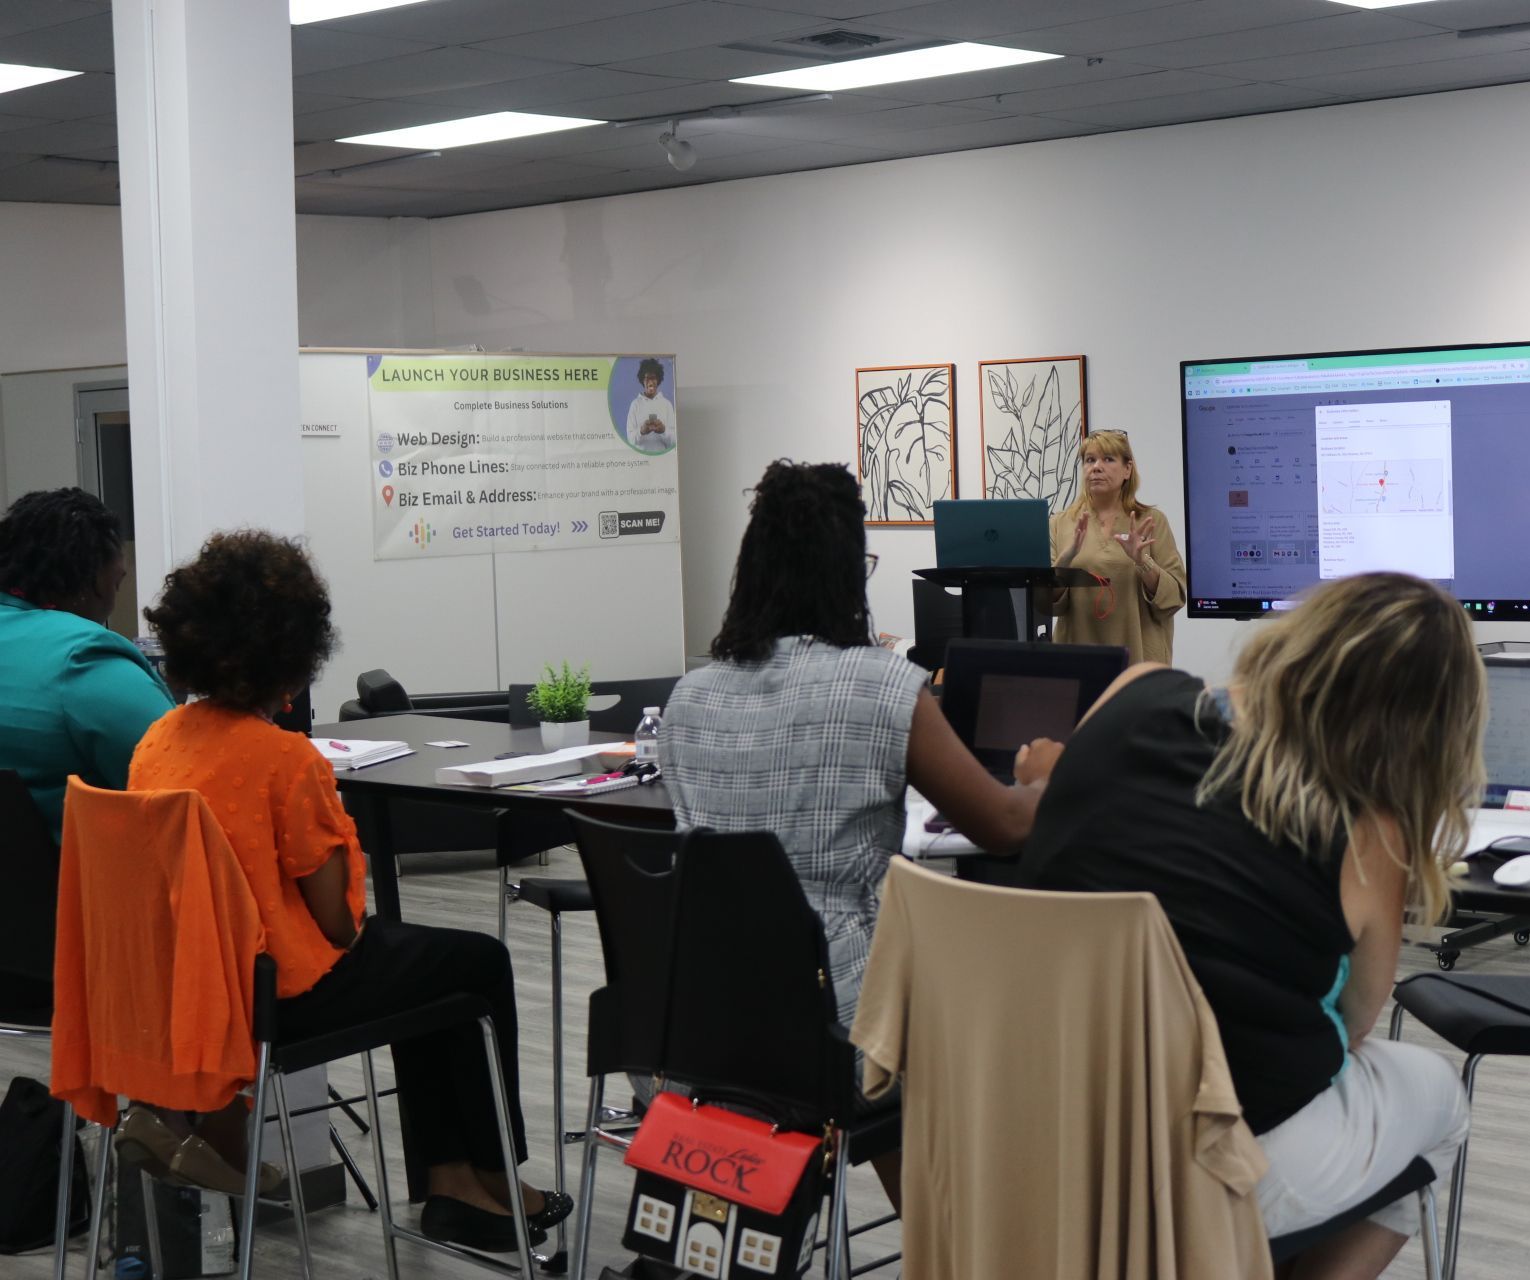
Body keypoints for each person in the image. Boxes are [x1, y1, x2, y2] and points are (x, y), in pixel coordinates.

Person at [1017, 573, 1481, 1280]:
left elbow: (1066, 816)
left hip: (1040, 1123)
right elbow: (1353, 1028)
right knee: (1438, 1096)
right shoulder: (1368, 831)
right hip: (1218, 1159)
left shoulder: (1135, 688)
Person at [127, 531, 570, 1254]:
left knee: (428, 970)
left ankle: (456, 1183)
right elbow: (337, 922)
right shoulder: (281, 758)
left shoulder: (158, 740)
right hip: (284, 997)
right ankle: (492, 1178)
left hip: (199, 992)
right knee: (475, 964)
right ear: (295, 651)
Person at [660, 462, 1059, 1180]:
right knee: (1001, 1025)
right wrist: (1044, 777)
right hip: (844, 1031)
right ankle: (962, 1242)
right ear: (848, 572)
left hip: (707, 1028)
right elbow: (1002, 826)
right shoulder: (881, 688)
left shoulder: (689, 699)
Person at [0, 488, 174, 854]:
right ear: (95, 579)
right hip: (80, 903)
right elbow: (184, 779)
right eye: (117, 582)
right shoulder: (84, 657)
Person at [1049, 431, 1186, 664]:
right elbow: (1047, 603)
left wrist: (1143, 562)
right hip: (1077, 661)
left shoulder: (1151, 520)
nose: (1096, 467)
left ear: (1127, 469)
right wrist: (1065, 560)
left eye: (1108, 459)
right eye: (1090, 460)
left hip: (1139, 662)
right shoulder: (1060, 524)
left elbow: (1174, 597)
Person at [624, 357, 676, 454]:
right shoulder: (635, 405)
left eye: (653, 378)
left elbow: (674, 441)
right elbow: (630, 440)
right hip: (640, 462)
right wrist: (641, 432)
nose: (650, 382)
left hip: (662, 460)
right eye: (647, 378)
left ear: (658, 380)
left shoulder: (667, 405)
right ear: (642, 381)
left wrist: (663, 431)